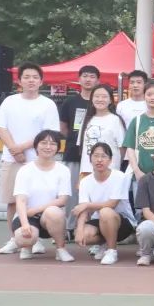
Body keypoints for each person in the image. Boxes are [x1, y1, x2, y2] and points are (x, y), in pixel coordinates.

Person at [8, 130, 73, 262]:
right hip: (27, 217)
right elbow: (20, 200)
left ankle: (61, 249)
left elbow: (62, 200)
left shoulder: (63, 170)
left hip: (49, 218)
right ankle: (27, 247)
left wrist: (35, 210)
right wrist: (25, 224)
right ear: (36, 146)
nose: (48, 147)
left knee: (53, 212)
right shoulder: (25, 170)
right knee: (23, 238)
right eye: (44, 143)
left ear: (58, 148)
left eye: (53, 144)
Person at [74, 142, 134, 265]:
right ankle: (104, 244)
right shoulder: (85, 181)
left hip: (122, 222)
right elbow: (82, 209)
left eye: (103, 156)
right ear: (90, 159)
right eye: (96, 156)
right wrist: (79, 230)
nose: (99, 160)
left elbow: (112, 204)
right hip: (99, 221)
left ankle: (112, 251)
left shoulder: (120, 177)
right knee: (83, 234)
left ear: (110, 160)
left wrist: (87, 205)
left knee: (105, 212)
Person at [59, 64, 100, 224]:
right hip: (73, 154)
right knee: (71, 191)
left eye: (92, 76)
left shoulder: (101, 102)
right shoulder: (70, 102)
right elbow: (63, 127)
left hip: (96, 156)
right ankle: (70, 226)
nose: (88, 79)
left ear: (97, 81)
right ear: (79, 79)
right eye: (85, 76)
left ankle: (91, 226)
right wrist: (75, 139)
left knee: (94, 192)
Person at [78, 83, 126, 175]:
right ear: (92, 99)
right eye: (97, 96)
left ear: (110, 100)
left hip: (109, 171)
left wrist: (116, 165)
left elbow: (122, 149)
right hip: (87, 170)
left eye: (104, 97)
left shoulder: (115, 120)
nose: (100, 99)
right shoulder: (86, 119)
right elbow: (82, 146)